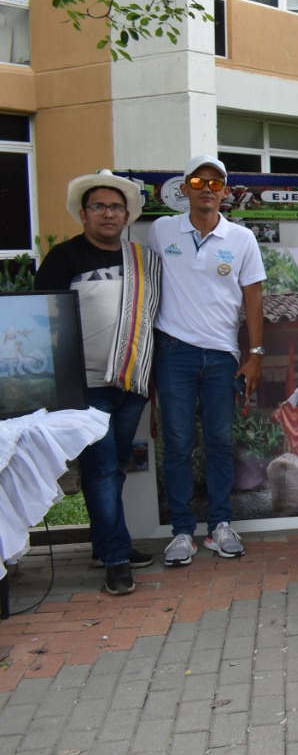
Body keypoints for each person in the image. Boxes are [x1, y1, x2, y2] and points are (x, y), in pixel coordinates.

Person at [34, 170, 163, 594]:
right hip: (84, 386)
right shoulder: (63, 259)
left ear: (127, 214)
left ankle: (107, 542)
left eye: (115, 207)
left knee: (112, 467)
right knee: (103, 468)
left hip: (131, 382)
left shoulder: (142, 260)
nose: (108, 213)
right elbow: (43, 320)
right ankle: (114, 558)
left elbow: (154, 321)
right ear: (84, 215)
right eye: (99, 207)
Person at [149, 155, 266, 565]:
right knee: (178, 444)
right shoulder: (162, 231)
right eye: (199, 181)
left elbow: (253, 299)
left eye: (216, 183)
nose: (207, 188)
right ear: (185, 188)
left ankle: (219, 526)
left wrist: (254, 355)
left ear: (225, 191)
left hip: (222, 357)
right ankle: (182, 531)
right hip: (173, 353)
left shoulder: (241, 239)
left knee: (219, 444)